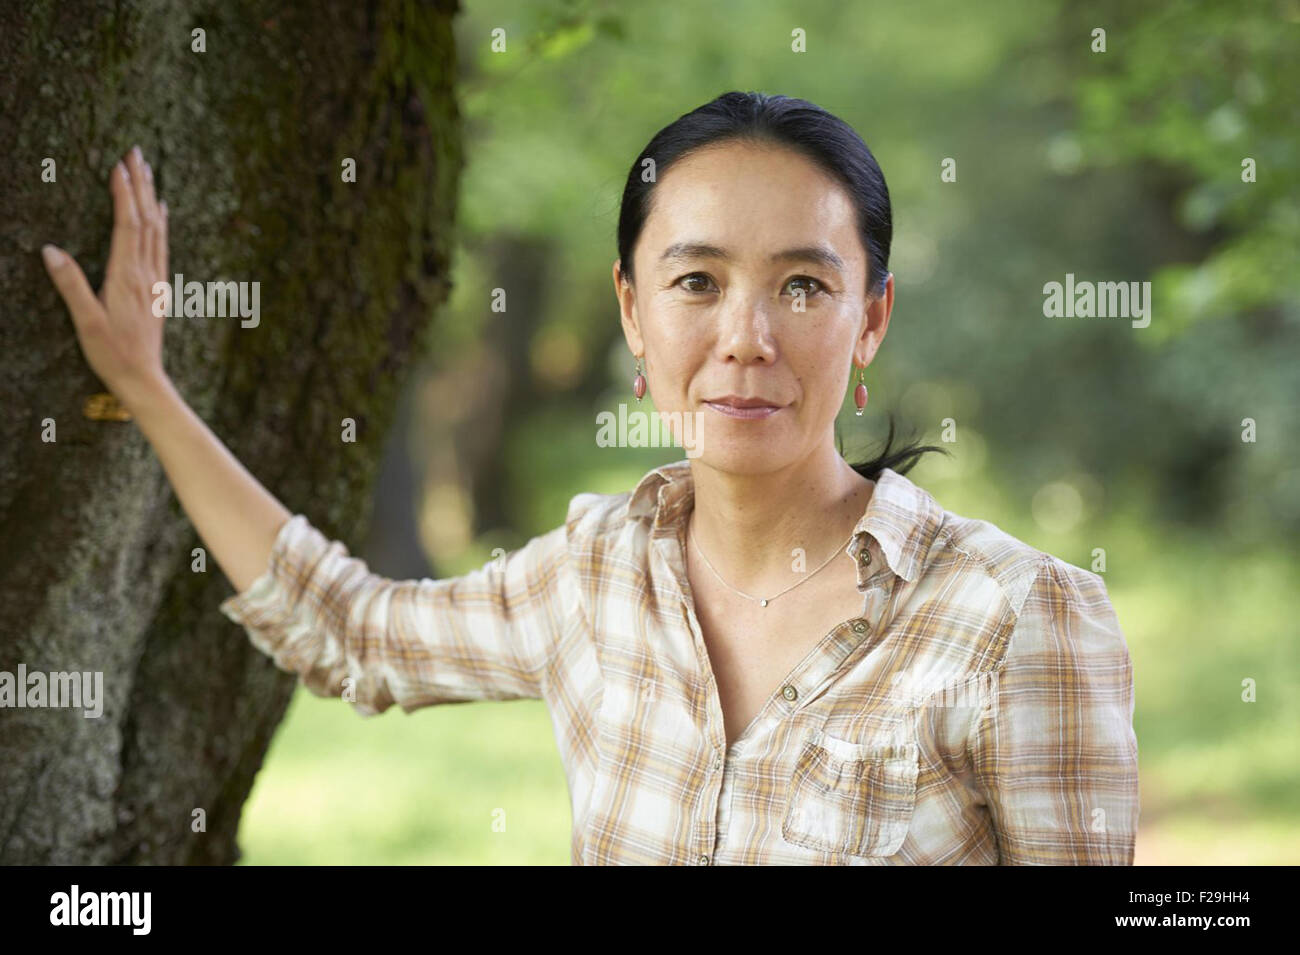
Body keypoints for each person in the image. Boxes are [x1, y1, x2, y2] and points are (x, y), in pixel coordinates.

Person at [41, 91, 1139, 865]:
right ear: (630, 311)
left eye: (803, 286)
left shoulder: (1014, 619)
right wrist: (146, 386)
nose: (746, 335)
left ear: (870, 320)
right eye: (696, 280)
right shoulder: (598, 572)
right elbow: (351, 631)